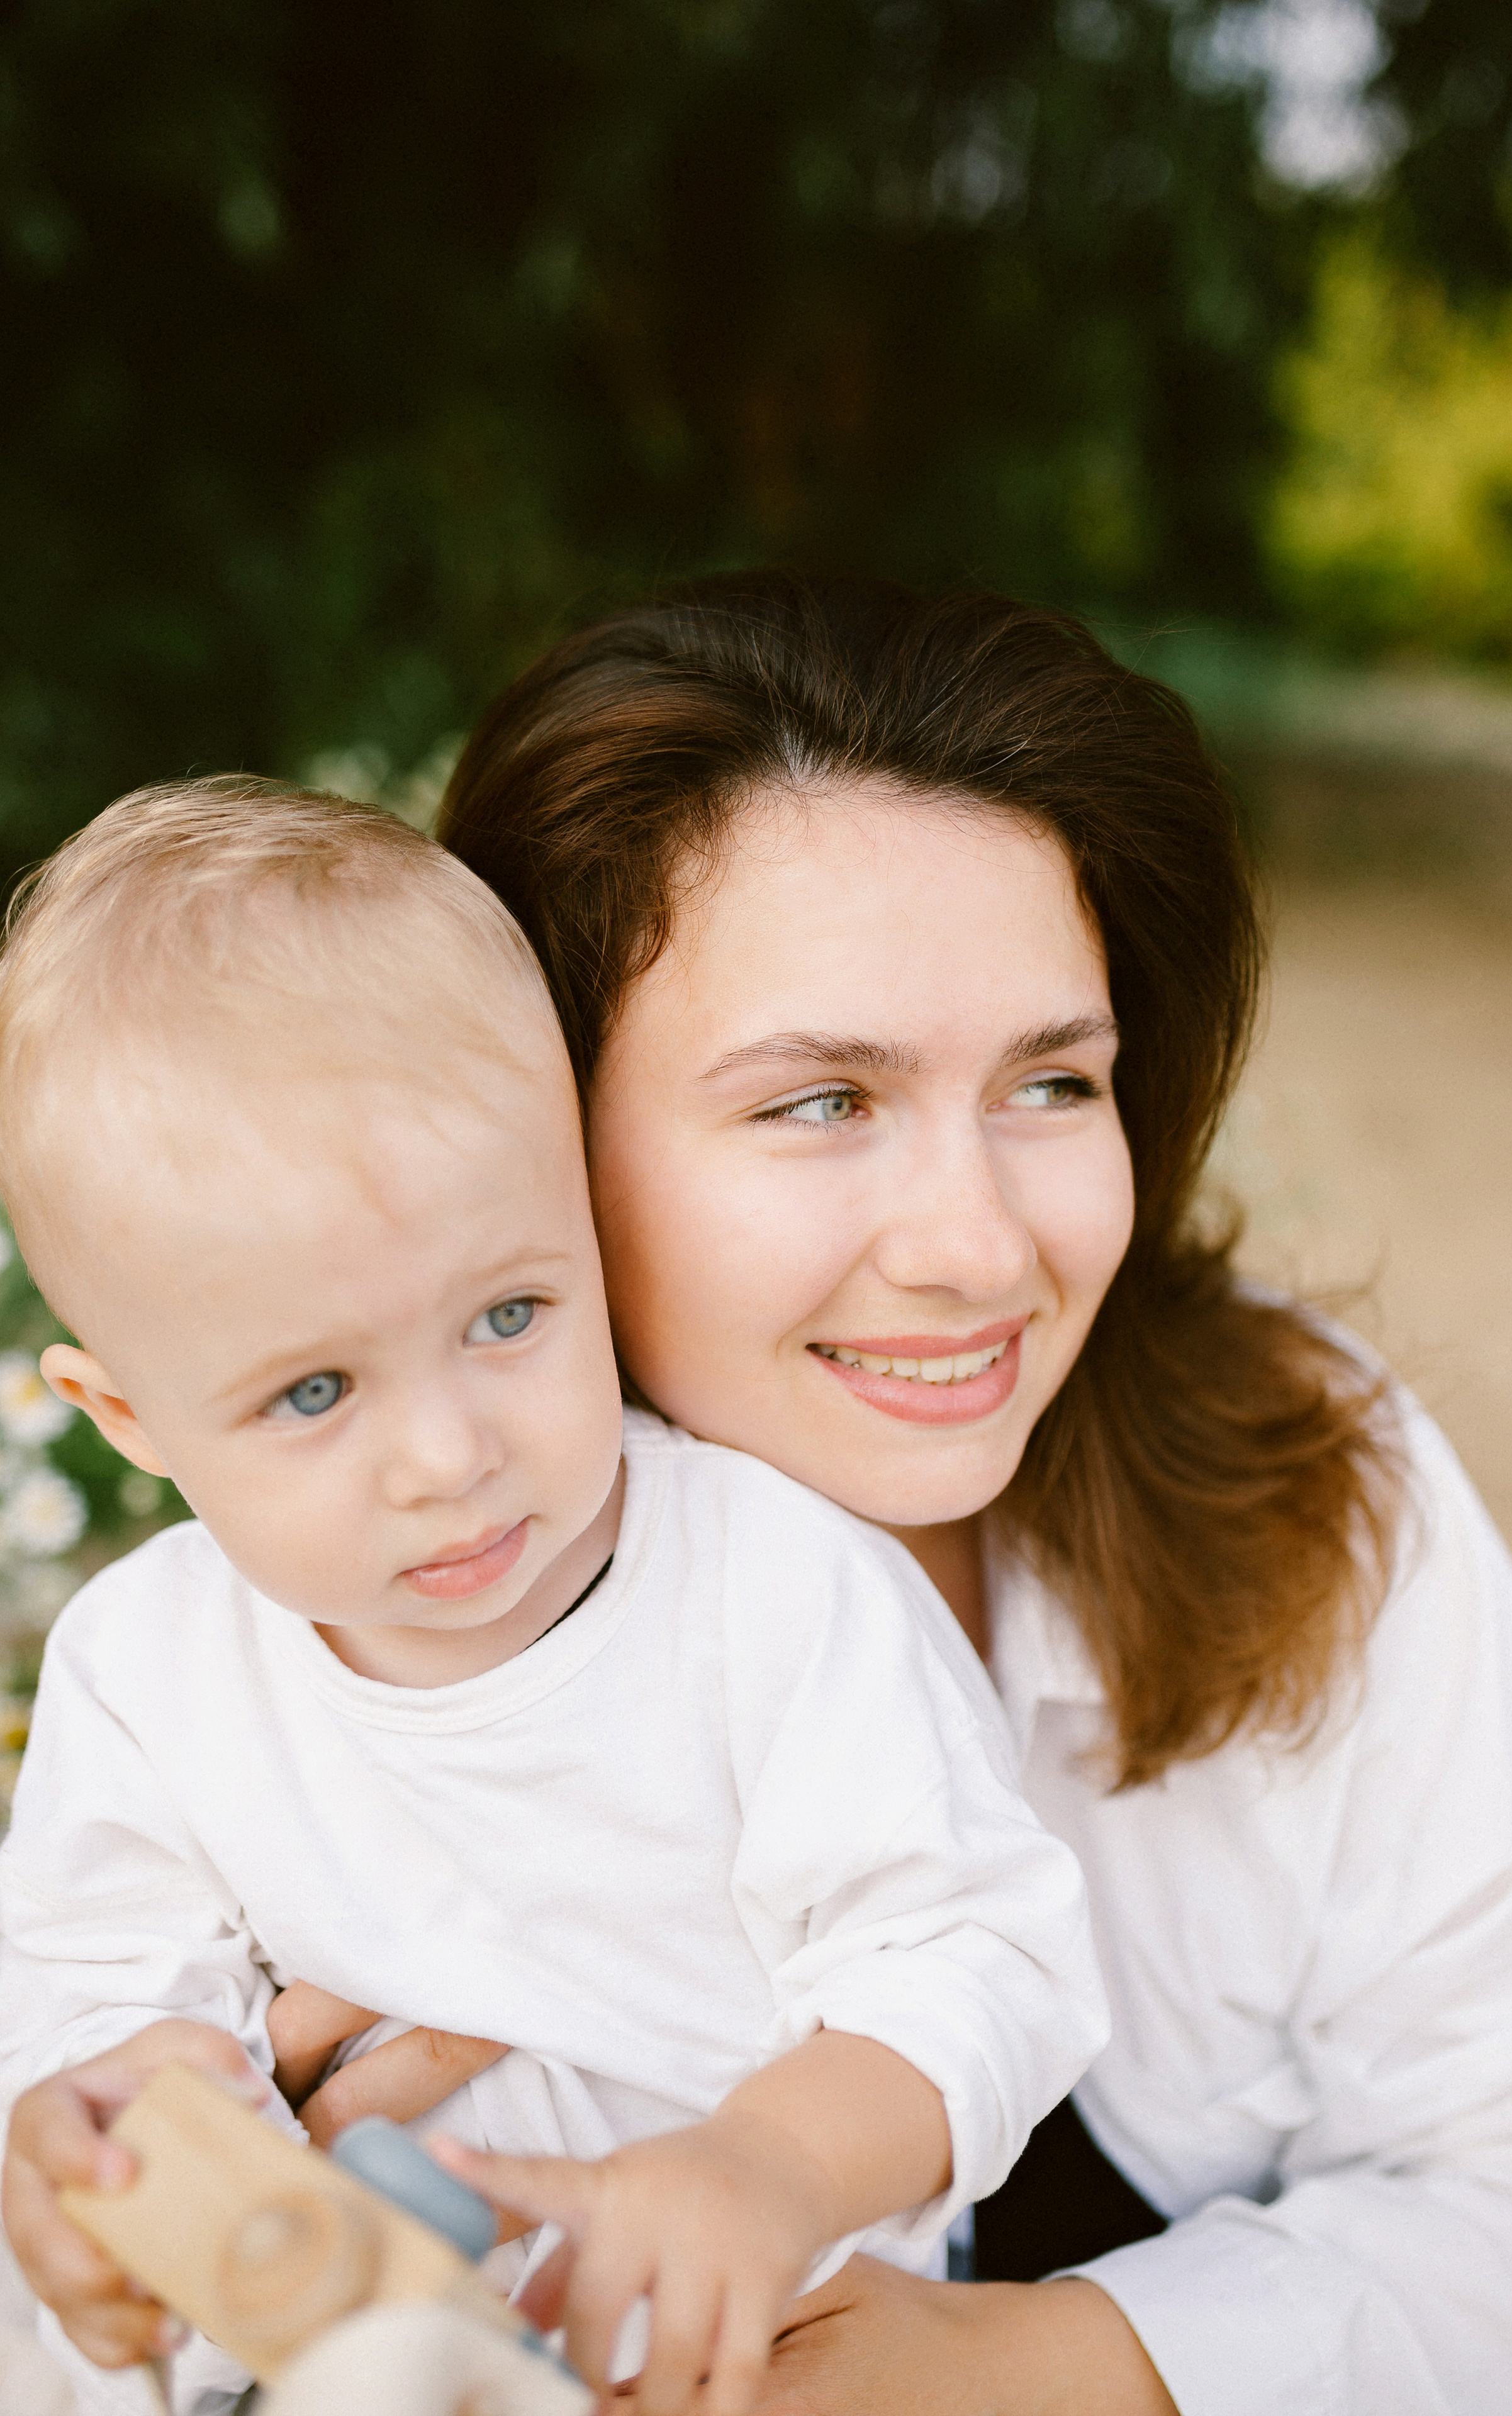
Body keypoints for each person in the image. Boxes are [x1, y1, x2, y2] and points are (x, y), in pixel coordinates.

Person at [9, 573, 1512, 2414]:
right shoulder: (257, 1640)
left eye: (1054, 1081)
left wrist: (1037, 2367)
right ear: (546, 1111)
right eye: (821, 1101)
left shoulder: (1300, 1468)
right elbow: (80, 2078)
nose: (972, 1244)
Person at [0, 780, 1107, 2416]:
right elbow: (90, 1992)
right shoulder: (147, 1673)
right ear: (131, 1425)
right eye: (314, 1395)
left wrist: (769, 2167)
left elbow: (977, 1956)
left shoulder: (771, 1592)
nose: (450, 1455)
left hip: (733, 2363)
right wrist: (96, 2109)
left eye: (511, 1315)